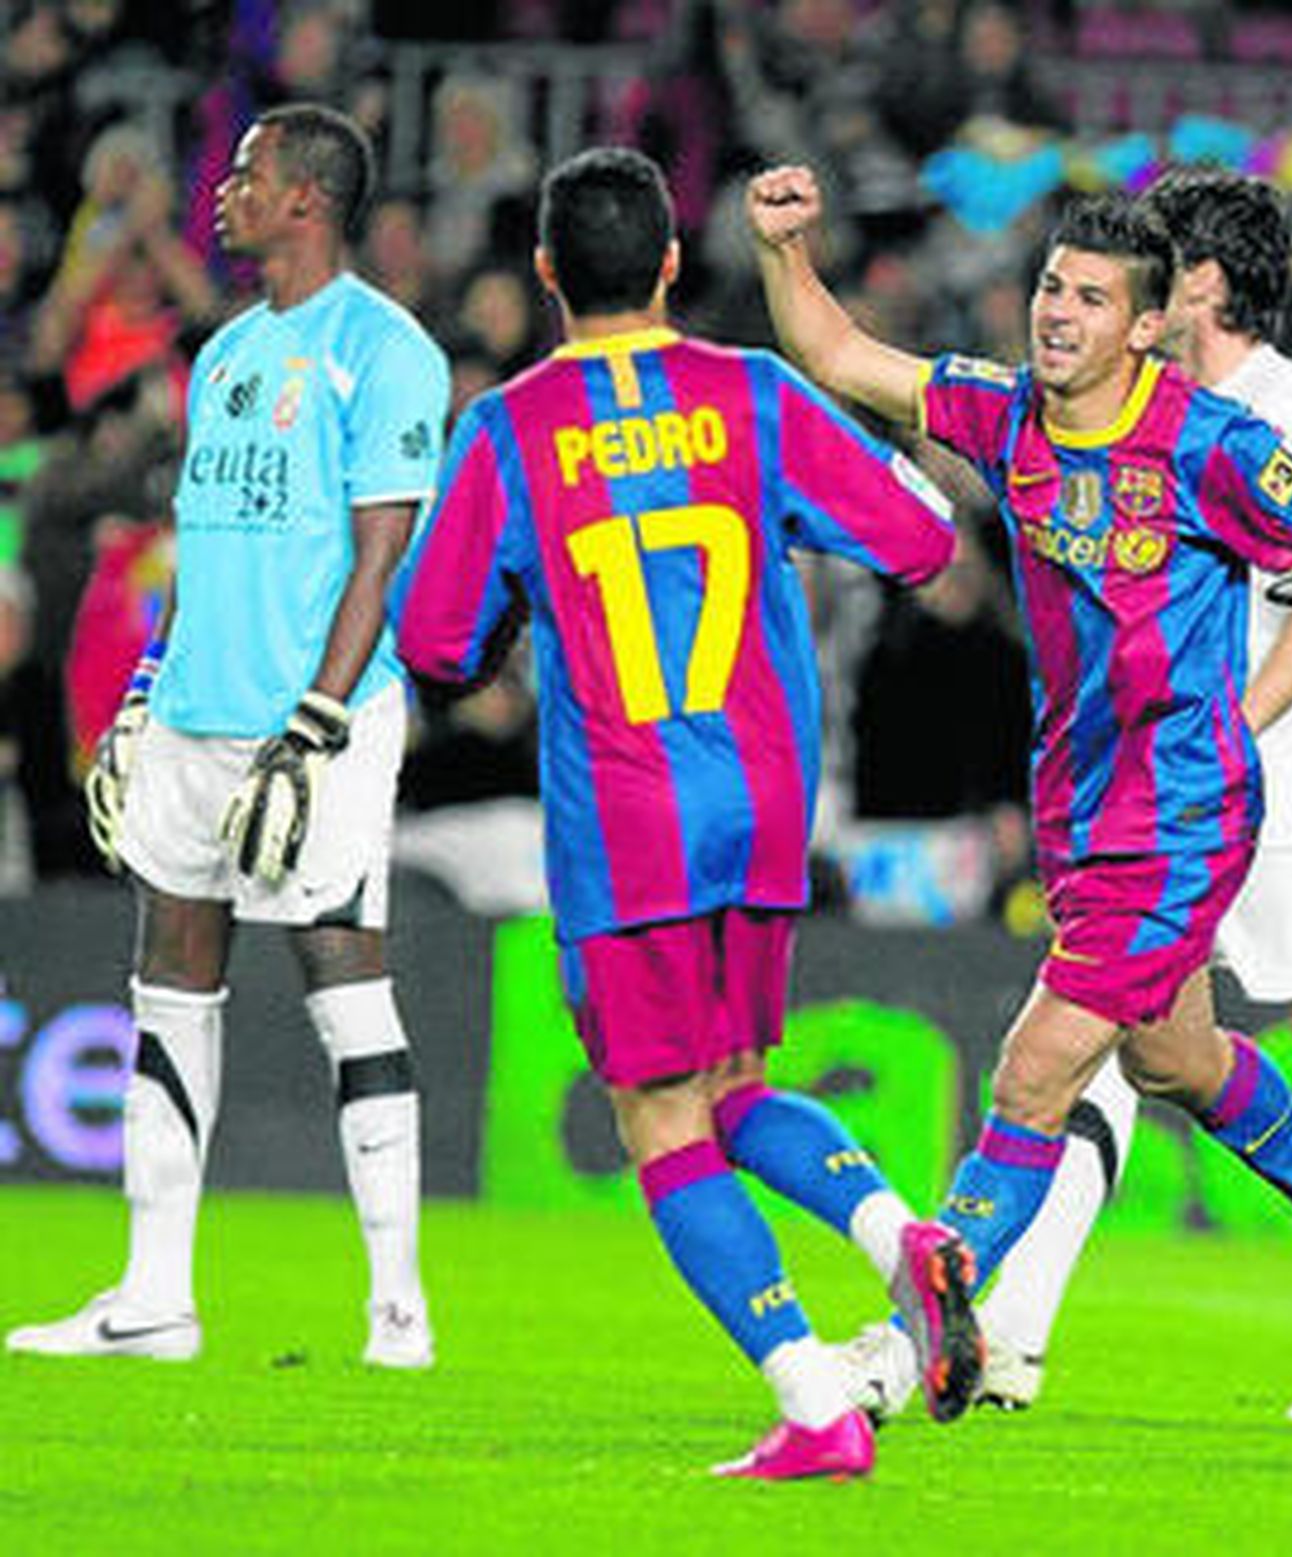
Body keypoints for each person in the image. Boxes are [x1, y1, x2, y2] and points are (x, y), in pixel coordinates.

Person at [746, 165, 1292, 1420]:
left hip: (1185, 812)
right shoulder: (1007, 417)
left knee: (1034, 1074)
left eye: (1090, 298)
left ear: (1147, 325)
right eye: (1051, 286)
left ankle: (901, 1355)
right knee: (1172, 1057)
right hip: (1079, 804)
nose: (1055, 312)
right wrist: (786, 253)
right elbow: (839, 351)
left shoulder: (1211, 442)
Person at [389, 146, 977, 1483]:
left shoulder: (512, 428)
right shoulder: (756, 392)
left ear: (544, 273)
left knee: (656, 1115)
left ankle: (816, 1400)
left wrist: (522, 602)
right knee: (733, 1087)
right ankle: (901, 1239)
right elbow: (926, 540)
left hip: (629, 816)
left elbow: (434, 638)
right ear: (668, 263)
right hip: (766, 799)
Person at [973, 169, 1292, 1426]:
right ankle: (1010, 1332)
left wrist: (1230, 731)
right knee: (1123, 1043)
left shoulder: (1273, 404)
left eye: (1152, 263)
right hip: (1187, 796)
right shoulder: (1160, 408)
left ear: (1197, 284)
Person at [6, 104, 448, 1369]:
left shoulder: (388, 351)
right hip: (197, 716)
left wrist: (316, 719)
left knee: (344, 986)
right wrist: (149, 686)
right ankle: (152, 1297)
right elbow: (203, 546)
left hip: (319, 724)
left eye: (248, 176)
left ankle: (398, 1311)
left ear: (306, 199)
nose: (224, 194)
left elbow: (381, 557)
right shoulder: (224, 355)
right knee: (167, 987)